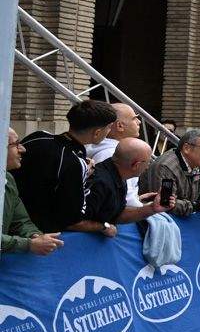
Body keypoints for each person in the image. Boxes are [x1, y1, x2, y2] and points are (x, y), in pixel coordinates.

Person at [15, 99, 118, 234]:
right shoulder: (74, 163)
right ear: (97, 132)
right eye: (109, 127)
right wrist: (104, 226)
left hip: (13, 216)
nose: (109, 131)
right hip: (37, 232)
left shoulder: (38, 136)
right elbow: (72, 221)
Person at [83, 138, 168, 234]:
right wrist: (103, 227)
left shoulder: (119, 176)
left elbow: (117, 214)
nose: (148, 167)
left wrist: (152, 208)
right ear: (136, 165)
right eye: (148, 162)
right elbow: (74, 221)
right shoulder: (100, 182)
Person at [5, 128, 63, 257]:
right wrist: (28, 244)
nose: (22, 149)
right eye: (15, 144)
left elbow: (21, 220)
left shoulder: (7, 179)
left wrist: (35, 236)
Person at [87, 101, 142, 208]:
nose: (139, 122)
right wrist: (147, 208)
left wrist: (138, 198)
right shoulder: (111, 154)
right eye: (134, 118)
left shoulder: (110, 150)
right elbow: (124, 200)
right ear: (120, 126)